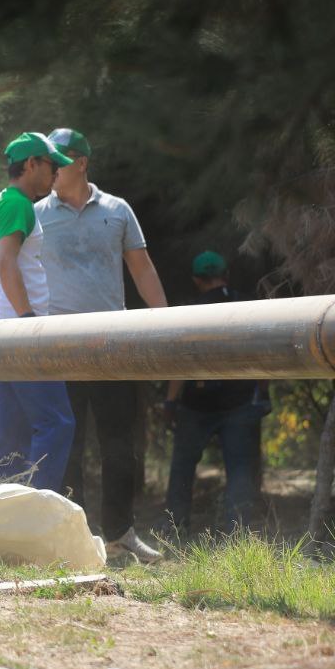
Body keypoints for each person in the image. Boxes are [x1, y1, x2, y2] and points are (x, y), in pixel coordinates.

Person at [35, 128, 165, 562]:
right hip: (58, 347)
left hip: (113, 345)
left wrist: (168, 323)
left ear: (83, 162)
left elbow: (142, 270)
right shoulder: (34, 213)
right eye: (48, 161)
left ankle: (120, 536)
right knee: (66, 443)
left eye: (60, 160)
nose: (52, 169)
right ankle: (74, 538)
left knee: (118, 444)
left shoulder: (118, 210)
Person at [0, 133, 75, 491]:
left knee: (11, 437)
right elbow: (5, 264)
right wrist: (28, 321)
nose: (56, 174)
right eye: (52, 165)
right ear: (31, 164)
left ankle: (2, 525)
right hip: (22, 331)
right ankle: (37, 514)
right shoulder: (17, 203)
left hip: (1, 332)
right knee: (57, 423)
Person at [162, 251, 259, 533]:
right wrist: (261, 393)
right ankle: (238, 533)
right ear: (225, 275)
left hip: (196, 403)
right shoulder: (245, 307)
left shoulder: (191, 311)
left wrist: (170, 402)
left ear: (196, 280)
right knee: (240, 469)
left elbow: (180, 362)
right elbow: (261, 354)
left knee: (182, 468)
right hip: (239, 401)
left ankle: (174, 529)